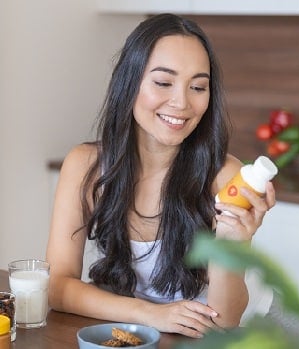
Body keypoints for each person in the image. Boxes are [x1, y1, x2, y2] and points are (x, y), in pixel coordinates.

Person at [46, 13, 275, 339]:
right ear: (129, 82)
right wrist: (151, 315)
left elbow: (224, 322)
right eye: (163, 82)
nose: (181, 103)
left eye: (198, 87)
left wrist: (233, 242)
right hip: (152, 330)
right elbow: (56, 287)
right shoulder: (86, 166)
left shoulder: (226, 177)